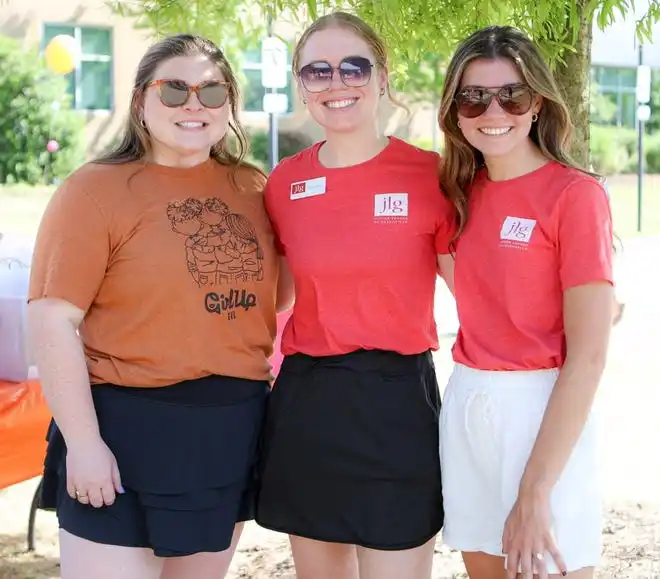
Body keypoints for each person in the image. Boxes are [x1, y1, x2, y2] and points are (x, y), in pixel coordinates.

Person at [27, 34, 292, 579]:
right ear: (140, 102)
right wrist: (83, 441)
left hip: (229, 428)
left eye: (212, 92)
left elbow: (277, 296)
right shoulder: (94, 190)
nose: (193, 104)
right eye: (173, 90)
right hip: (122, 431)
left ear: (230, 105)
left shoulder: (252, 187)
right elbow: (52, 318)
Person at [255, 11, 456, 579]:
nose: (335, 82)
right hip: (308, 402)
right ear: (300, 84)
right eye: (317, 71)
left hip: (397, 403)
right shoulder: (283, 183)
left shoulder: (431, 176)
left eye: (353, 67)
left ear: (383, 75)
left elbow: (475, 287)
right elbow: (277, 294)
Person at [436, 25, 614, 579]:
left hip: (542, 413)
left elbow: (588, 356)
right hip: (466, 404)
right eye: (474, 96)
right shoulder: (454, 197)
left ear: (536, 102)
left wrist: (536, 489)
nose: (493, 110)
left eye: (510, 94)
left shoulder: (576, 195)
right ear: (455, 110)